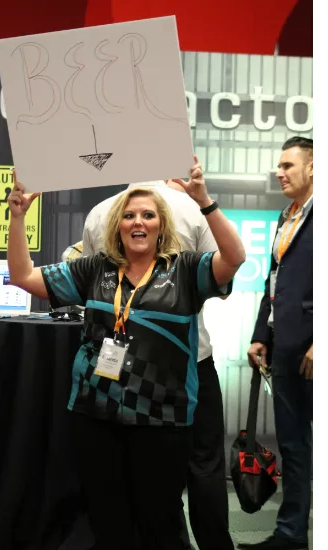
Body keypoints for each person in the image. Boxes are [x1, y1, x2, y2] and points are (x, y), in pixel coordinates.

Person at [6, 157, 245, 550]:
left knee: (159, 522)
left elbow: (234, 258)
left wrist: (205, 201)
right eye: (130, 215)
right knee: (108, 520)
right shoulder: (93, 269)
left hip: (162, 418)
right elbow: (22, 276)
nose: (138, 222)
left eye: (148, 215)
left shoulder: (185, 270)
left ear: (160, 225)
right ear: (116, 224)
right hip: (96, 413)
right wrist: (17, 218)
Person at [82, 178, 235, 550]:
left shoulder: (100, 212)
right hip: (187, 363)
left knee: (127, 476)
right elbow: (225, 281)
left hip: (119, 371)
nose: (140, 223)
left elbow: (92, 284)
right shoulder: (189, 208)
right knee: (201, 466)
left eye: (148, 218)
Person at [239, 136, 313, 550]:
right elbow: (274, 283)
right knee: (293, 445)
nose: (278, 172)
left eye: (287, 165)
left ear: (314, 167)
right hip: (285, 349)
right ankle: (291, 536)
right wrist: (259, 336)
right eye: (278, 166)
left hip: (314, 350)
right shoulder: (287, 217)